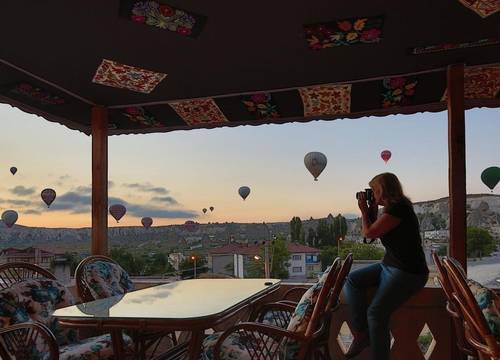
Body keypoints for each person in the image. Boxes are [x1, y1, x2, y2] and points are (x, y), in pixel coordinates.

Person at [343, 172, 429, 359]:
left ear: (383, 190)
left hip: (407, 272)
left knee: (376, 314)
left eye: (374, 191)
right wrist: (372, 211)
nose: (372, 195)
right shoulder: (392, 209)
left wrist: (364, 212)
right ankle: (361, 334)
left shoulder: (400, 209)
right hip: (389, 266)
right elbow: (373, 235)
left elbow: (369, 233)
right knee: (352, 280)